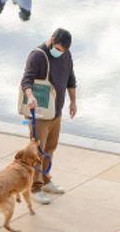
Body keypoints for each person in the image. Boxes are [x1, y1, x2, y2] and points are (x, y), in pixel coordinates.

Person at [20, 28, 77, 204]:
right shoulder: (37, 55)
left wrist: (73, 102)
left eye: (63, 50)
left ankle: (45, 180)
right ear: (51, 40)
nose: (60, 53)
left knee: (50, 148)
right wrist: (30, 97)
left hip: (56, 111)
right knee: (37, 151)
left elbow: (71, 79)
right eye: (58, 49)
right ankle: (34, 188)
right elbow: (26, 80)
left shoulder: (66, 55)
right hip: (40, 112)